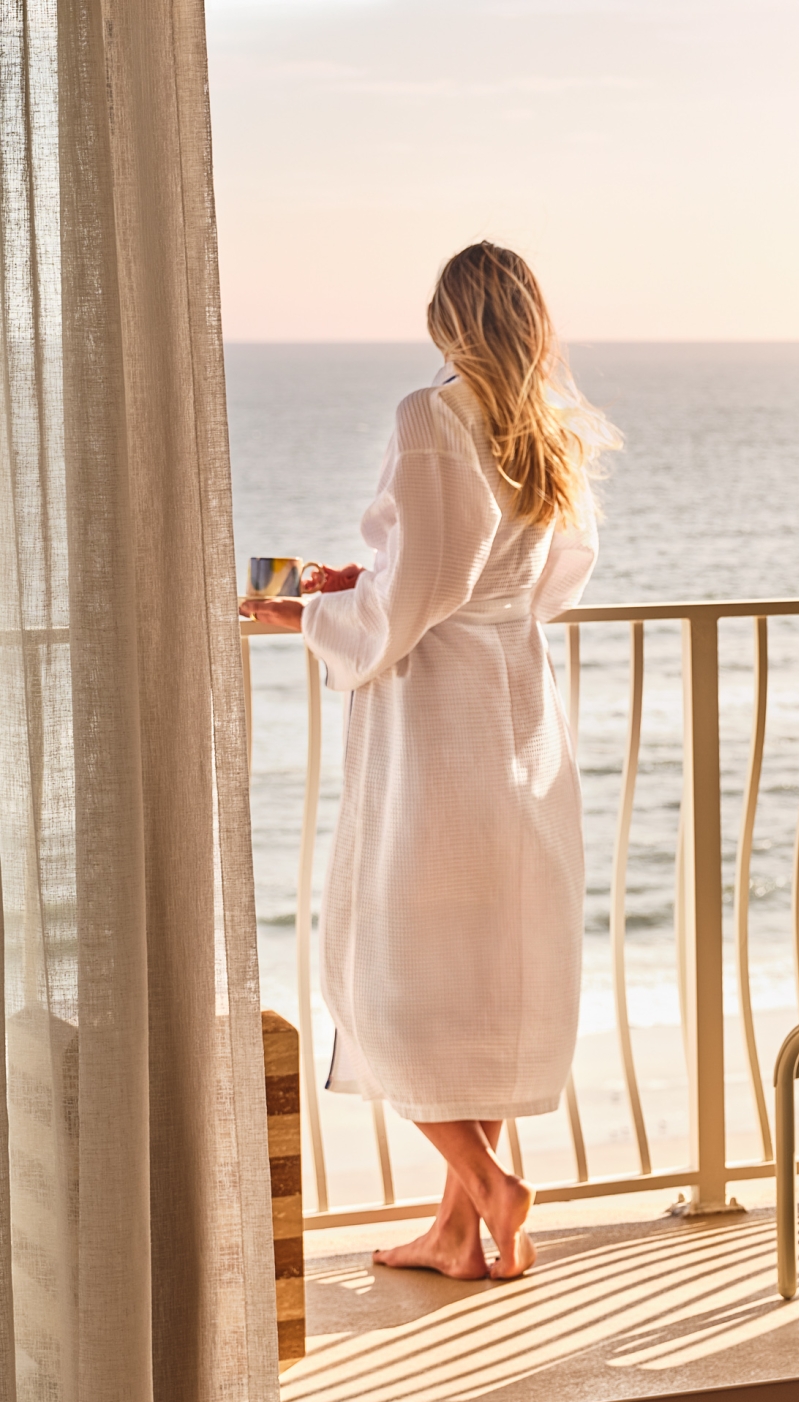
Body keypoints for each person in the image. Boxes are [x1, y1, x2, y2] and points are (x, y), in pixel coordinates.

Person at [240, 242, 617, 1280]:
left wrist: (312, 608)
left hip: (440, 738)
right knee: (486, 981)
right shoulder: (544, 427)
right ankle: (457, 1234)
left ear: (447, 321)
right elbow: (536, 579)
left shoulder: (431, 414)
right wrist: (385, 579)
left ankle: (493, 1190)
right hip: (520, 726)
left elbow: (413, 604)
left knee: (377, 976)